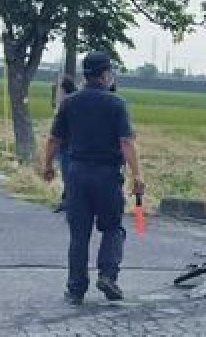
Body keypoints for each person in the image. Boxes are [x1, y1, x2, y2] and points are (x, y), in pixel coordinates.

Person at [42, 52, 144, 306]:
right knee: (112, 227)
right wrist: (137, 175)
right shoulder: (116, 104)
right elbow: (126, 142)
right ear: (105, 74)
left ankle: (76, 288)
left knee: (79, 234)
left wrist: (47, 166)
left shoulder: (69, 103)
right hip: (107, 174)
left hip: (76, 174)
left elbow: (54, 139)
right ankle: (108, 275)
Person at [52, 76, 78, 214]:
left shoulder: (68, 103)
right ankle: (67, 200)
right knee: (68, 176)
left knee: (68, 176)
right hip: (68, 145)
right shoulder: (71, 101)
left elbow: (55, 135)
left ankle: (69, 202)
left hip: (68, 145)